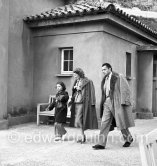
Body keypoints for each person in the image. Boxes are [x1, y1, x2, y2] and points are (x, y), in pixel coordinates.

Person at [92, 63, 135, 150]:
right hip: (107, 102)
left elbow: (125, 89)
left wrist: (124, 102)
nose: (103, 71)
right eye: (102, 70)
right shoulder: (105, 79)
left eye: (104, 69)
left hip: (117, 102)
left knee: (121, 122)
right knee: (104, 122)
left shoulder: (119, 76)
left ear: (110, 69)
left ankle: (128, 138)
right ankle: (101, 143)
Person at [69, 68, 98, 143]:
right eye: (73, 75)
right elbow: (74, 92)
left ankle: (82, 136)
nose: (74, 76)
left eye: (75, 75)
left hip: (83, 102)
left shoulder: (87, 81)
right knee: (78, 120)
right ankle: (82, 135)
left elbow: (91, 92)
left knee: (79, 119)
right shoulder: (77, 81)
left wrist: (92, 102)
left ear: (79, 74)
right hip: (76, 101)